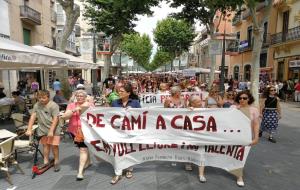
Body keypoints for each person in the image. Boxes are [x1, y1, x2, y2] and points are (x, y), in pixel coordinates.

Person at [110, 83, 141, 184]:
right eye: (119, 91)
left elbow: (141, 116)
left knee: (129, 150)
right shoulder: (114, 102)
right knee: (118, 151)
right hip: (117, 131)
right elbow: (109, 114)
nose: (119, 93)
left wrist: (133, 112)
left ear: (128, 93)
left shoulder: (135, 102)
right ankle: (118, 173)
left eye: (122, 91)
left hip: (131, 131)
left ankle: (129, 169)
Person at [25, 90, 61, 172]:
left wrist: (51, 131)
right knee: (45, 145)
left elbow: (56, 119)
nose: (41, 99)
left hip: (53, 128)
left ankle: (56, 161)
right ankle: (46, 161)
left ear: (48, 97)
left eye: (44, 98)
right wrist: (29, 129)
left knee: (54, 146)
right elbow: (33, 117)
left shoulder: (53, 105)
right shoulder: (37, 105)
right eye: (39, 98)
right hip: (42, 129)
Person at [62, 90, 93, 180]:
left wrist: (82, 106)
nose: (79, 97)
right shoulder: (71, 105)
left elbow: (90, 108)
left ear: (85, 97)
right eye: (78, 96)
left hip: (86, 130)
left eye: (81, 96)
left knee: (83, 149)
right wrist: (74, 110)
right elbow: (65, 116)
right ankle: (89, 161)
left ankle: (80, 172)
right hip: (74, 130)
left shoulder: (89, 104)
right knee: (83, 148)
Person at [231, 90, 260, 187]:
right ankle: (233, 169)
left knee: (242, 155)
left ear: (249, 99)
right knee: (233, 154)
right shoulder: (233, 107)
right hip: (233, 135)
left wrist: (256, 138)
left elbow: (256, 124)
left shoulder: (254, 110)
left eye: (244, 98)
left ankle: (239, 176)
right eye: (240, 98)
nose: (242, 100)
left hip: (246, 136)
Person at [188, 95, 206, 183]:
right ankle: (188, 162)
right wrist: (188, 110)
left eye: (200, 101)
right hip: (190, 135)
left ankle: (201, 174)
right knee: (189, 149)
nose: (201, 103)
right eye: (198, 101)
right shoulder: (187, 109)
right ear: (192, 103)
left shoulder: (205, 109)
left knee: (201, 153)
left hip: (201, 135)